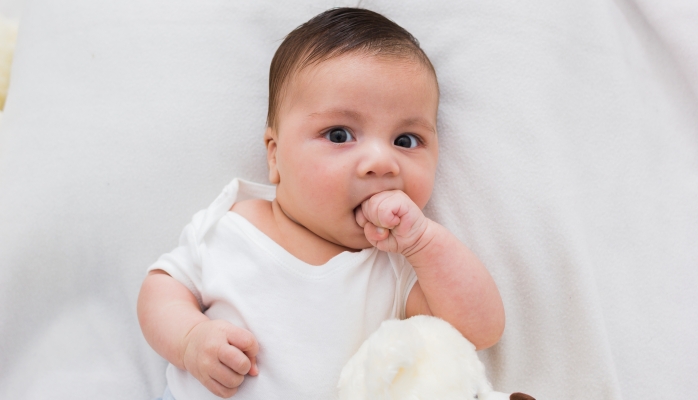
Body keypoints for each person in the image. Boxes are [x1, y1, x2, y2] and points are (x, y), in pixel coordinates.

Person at [137, 7, 505, 400]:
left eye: (405, 141)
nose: (381, 162)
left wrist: (424, 242)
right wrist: (191, 338)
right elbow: (160, 289)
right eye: (339, 134)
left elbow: (478, 332)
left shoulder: (394, 267)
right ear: (275, 156)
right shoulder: (231, 226)